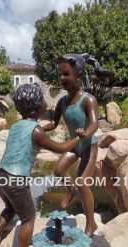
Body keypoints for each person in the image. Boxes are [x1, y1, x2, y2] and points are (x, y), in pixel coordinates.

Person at [0, 83, 85, 247]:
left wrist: (48, 127)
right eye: (42, 100)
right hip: (17, 180)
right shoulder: (37, 132)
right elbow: (61, 148)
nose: (44, 103)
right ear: (39, 105)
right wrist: (79, 138)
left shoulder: (17, 126)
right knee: (28, 218)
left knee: (11, 207)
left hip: (0, 176)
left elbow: (35, 132)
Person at [42, 53, 106, 237]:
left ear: (78, 76)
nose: (61, 78)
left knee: (83, 183)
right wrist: (36, 128)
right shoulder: (61, 102)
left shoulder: (88, 100)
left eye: (66, 74)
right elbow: (53, 124)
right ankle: (71, 190)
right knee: (59, 170)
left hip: (88, 146)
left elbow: (95, 123)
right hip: (74, 145)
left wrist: (87, 133)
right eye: (59, 75)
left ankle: (91, 224)